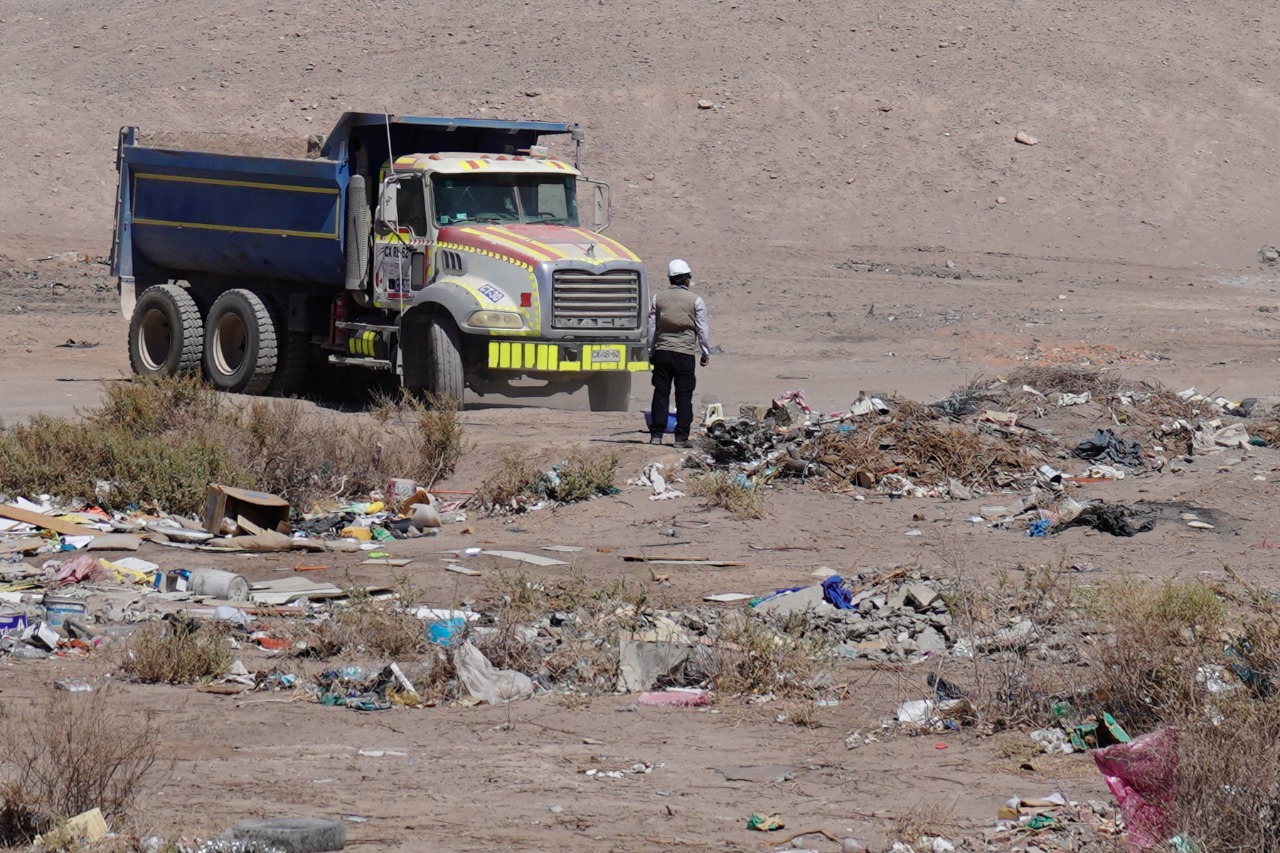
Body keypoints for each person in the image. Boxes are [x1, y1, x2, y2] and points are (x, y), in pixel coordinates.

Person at [647, 258, 711, 448]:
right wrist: (705, 352)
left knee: (660, 393)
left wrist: (651, 350)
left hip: (663, 352)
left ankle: (656, 435)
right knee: (684, 396)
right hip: (684, 355)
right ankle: (681, 438)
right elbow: (702, 329)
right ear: (685, 279)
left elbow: (651, 327)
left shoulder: (658, 298)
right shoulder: (696, 300)